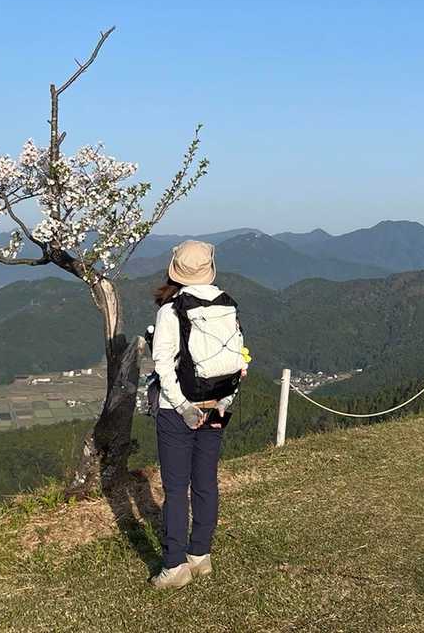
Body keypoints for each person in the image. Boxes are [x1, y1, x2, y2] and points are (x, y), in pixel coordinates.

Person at [149, 239, 246, 589]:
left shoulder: (171, 310)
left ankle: (175, 565)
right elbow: (238, 359)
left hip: (179, 411)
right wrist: (224, 400)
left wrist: (182, 406)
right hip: (216, 404)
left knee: (176, 488)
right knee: (206, 481)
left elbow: (163, 365)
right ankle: (200, 554)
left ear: (175, 270)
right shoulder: (226, 304)